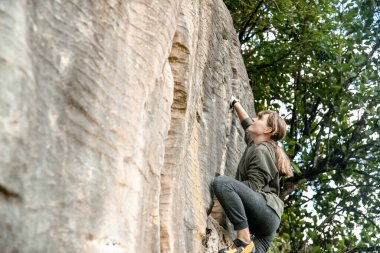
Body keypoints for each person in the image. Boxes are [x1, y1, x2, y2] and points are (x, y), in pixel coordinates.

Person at [213, 96, 293, 253]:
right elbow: (247, 123)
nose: (254, 119)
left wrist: (227, 194)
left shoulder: (261, 151)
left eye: (259, 118)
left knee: (223, 184)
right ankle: (244, 246)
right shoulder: (256, 142)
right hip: (267, 226)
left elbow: (253, 187)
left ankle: (243, 238)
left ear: (268, 130)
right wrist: (235, 103)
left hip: (265, 212)